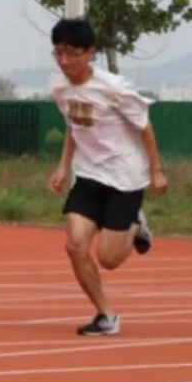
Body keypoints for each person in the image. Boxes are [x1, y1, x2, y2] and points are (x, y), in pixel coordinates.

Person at [46, 17, 164, 337]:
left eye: (72, 54)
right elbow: (73, 126)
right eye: (58, 53)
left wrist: (156, 170)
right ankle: (106, 315)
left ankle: (136, 222)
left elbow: (144, 126)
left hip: (125, 176)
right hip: (88, 174)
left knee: (109, 259)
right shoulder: (58, 86)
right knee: (75, 245)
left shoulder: (114, 88)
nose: (64, 61)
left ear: (90, 54)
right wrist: (62, 166)